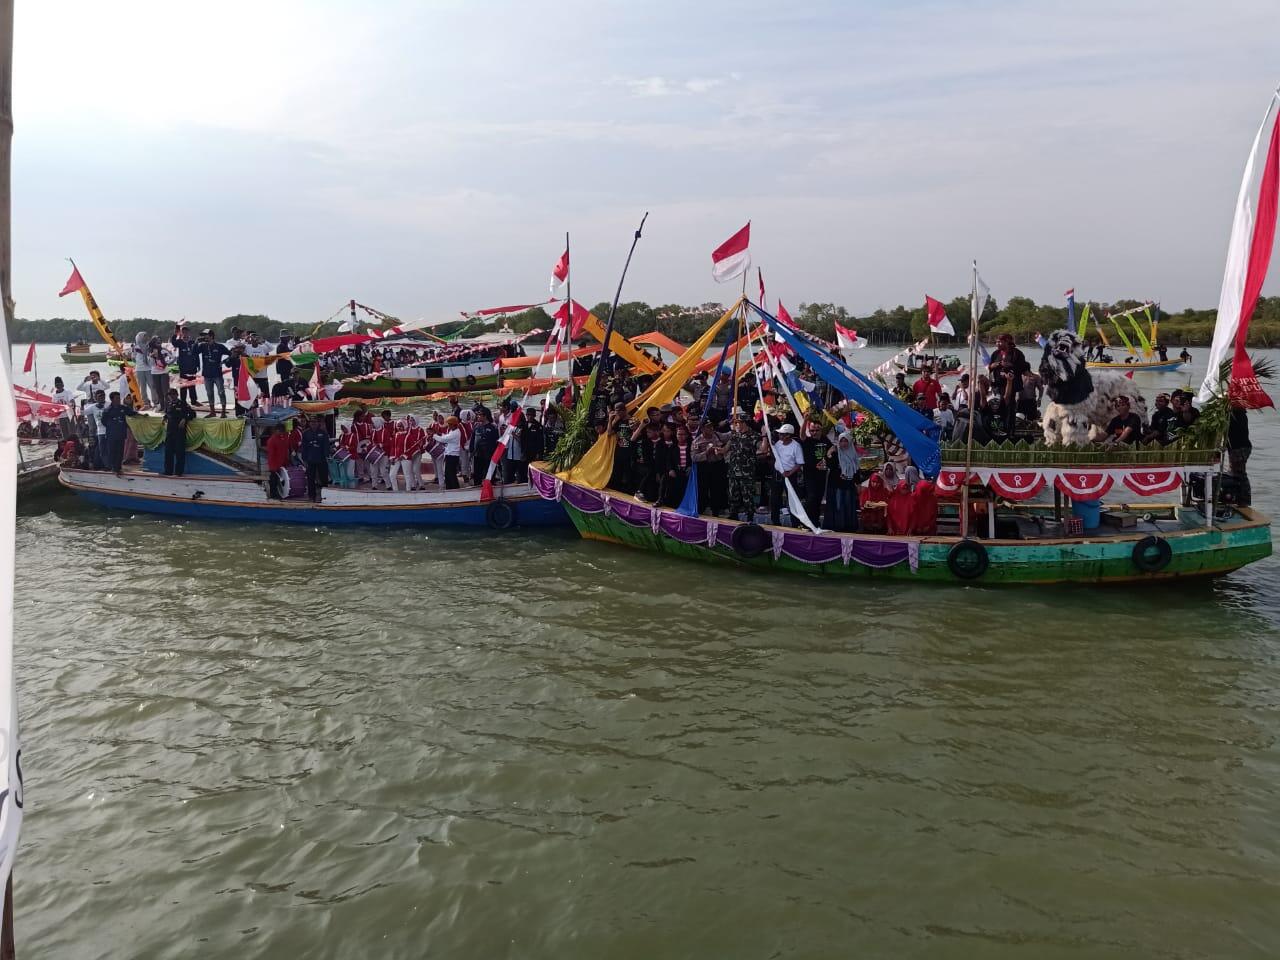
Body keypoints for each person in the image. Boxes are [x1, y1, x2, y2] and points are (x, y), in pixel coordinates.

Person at [691, 419, 728, 517]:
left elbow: (730, 436)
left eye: (711, 426)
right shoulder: (697, 441)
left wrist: (724, 449)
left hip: (718, 465)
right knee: (703, 489)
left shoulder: (717, 435)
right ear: (702, 429)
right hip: (705, 467)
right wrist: (706, 453)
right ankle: (701, 509)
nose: (711, 428)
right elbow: (694, 457)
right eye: (708, 427)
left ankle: (717, 509)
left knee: (717, 488)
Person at [770, 423, 804, 526]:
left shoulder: (796, 446)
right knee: (775, 498)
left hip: (790, 475)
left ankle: (795, 523)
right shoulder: (778, 444)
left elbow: (799, 463)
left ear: (788, 435)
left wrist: (789, 473)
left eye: (782, 434)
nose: (780, 436)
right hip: (777, 474)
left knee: (792, 499)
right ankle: (775, 521)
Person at [829, 428, 863, 532]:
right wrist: (830, 454)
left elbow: (856, 469)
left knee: (849, 505)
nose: (843, 443)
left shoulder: (853, 454)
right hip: (838, 483)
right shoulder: (836, 453)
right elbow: (831, 466)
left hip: (849, 483)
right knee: (839, 505)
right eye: (841, 441)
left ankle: (850, 527)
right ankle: (840, 526)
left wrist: (858, 484)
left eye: (845, 441)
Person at [799, 420, 832, 525]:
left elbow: (833, 446)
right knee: (811, 498)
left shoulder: (825, 440)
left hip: (821, 475)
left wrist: (830, 452)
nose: (814, 433)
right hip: (810, 475)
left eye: (817, 430)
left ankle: (815, 522)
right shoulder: (808, 440)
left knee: (818, 499)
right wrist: (805, 421)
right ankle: (807, 522)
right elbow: (802, 435)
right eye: (812, 430)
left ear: (821, 430)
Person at [99, 391, 136, 476]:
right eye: (117, 398)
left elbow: (132, 413)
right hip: (111, 435)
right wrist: (112, 426)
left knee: (120, 452)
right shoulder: (107, 410)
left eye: (119, 398)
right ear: (112, 399)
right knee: (112, 452)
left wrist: (142, 414)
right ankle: (113, 468)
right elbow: (103, 421)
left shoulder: (123, 408)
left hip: (121, 434)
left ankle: (118, 468)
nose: (119, 400)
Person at [161, 388, 196, 476]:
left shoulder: (183, 404)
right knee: (168, 452)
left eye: (173, 394)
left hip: (179, 432)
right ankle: (168, 471)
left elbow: (192, 413)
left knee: (179, 453)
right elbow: (168, 414)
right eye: (170, 395)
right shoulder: (168, 404)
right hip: (170, 432)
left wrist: (185, 419)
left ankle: (178, 472)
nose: (171, 397)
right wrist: (164, 418)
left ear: (177, 395)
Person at [988, 333, 1029, 406]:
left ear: (1007, 342)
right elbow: (990, 367)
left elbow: (1023, 368)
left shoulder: (1017, 353)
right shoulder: (995, 353)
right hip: (997, 384)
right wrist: (997, 364)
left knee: (1009, 405)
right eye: (996, 342)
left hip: (1011, 385)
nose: (997, 344)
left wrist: (1010, 365)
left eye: (1000, 342)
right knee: (997, 404)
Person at [196, 329, 229, 417]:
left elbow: (231, 354)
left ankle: (223, 412)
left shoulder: (220, 346)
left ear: (211, 336)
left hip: (217, 374)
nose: (203, 337)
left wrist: (223, 361)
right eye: (203, 335)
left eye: (205, 335)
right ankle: (212, 412)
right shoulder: (202, 346)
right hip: (207, 375)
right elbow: (193, 352)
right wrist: (196, 342)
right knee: (209, 393)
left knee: (221, 392)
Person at [300, 417, 331, 502]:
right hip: (310, 460)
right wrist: (304, 459)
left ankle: (325, 495)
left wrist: (327, 456)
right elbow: (304, 447)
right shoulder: (305, 433)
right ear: (309, 423)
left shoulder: (323, 433)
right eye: (311, 422)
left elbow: (326, 446)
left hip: (322, 459)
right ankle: (311, 496)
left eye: (315, 422)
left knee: (324, 478)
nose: (313, 423)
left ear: (318, 423)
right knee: (310, 479)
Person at [170, 323, 200, 408]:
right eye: (183, 332)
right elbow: (173, 343)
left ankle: (194, 401)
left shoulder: (192, 342)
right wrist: (175, 333)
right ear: (181, 333)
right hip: (183, 368)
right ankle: (183, 402)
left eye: (186, 331)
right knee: (183, 385)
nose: (185, 333)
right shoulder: (179, 342)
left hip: (192, 367)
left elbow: (196, 354)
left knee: (192, 385)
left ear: (189, 332)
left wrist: (198, 364)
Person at [1227, 405, 1252, 507]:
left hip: (1239, 449)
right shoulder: (1239, 414)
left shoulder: (1237, 415)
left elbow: (1232, 431)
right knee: (1236, 473)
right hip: (1240, 448)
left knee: (1239, 473)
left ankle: (1244, 501)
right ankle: (1239, 499)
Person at [470, 408, 499, 485]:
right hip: (477, 455)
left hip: (488, 456)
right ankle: (477, 487)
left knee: (489, 475)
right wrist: (471, 451)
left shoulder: (493, 428)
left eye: (480, 415)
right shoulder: (476, 427)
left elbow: (496, 442)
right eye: (478, 415)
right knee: (477, 475)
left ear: (485, 416)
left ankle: (490, 488)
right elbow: (472, 440)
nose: (478, 416)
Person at [265, 424, 291, 499]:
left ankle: (279, 493)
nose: (281, 433)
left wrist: (286, 461)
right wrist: (273, 467)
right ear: (276, 430)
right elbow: (271, 455)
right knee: (274, 480)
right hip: (275, 465)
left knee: (280, 480)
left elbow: (285, 450)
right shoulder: (272, 440)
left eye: (282, 431)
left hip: (282, 463)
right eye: (280, 431)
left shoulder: (284, 438)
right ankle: (273, 494)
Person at [437, 416, 463, 489]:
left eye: (449, 424)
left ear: (453, 424)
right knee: (448, 474)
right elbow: (446, 437)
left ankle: (455, 489)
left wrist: (433, 435)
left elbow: (442, 440)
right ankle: (449, 488)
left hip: (453, 456)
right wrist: (439, 434)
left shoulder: (455, 433)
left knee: (451, 474)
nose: (448, 425)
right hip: (450, 455)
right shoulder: (453, 431)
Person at [148, 337, 170, 412]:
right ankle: (162, 406)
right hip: (154, 372)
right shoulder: (150, 351)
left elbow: (172, 357)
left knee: (165, 391)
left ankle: (167, 407)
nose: (159, 343)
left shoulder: (163, 350)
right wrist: (152, 357)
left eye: (160, 342)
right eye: (157, 342)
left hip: (164, 372)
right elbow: (150, 364)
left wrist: (166, 363)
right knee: (158, 391)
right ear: (153, 343)